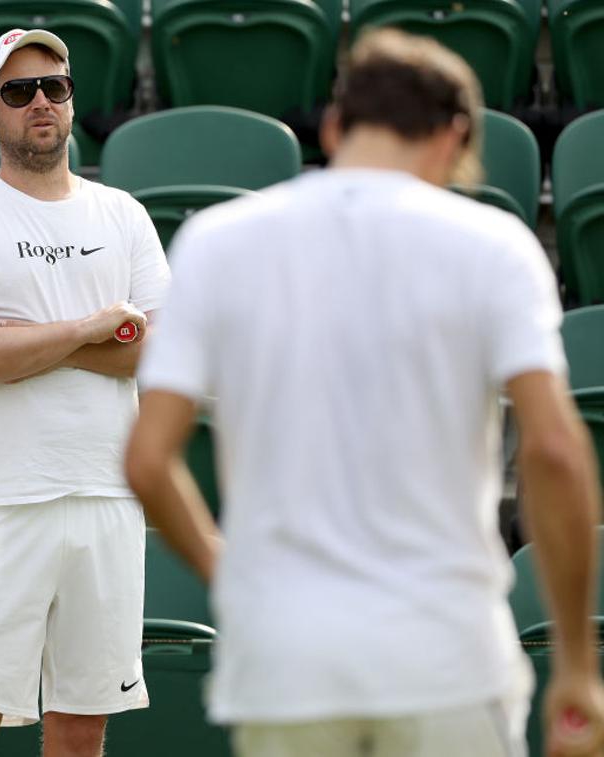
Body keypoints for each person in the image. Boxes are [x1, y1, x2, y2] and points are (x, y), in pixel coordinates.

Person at [125, 28, 604, 757]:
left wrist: (237, 578)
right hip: (446, 657)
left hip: (285, 664)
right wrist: (576, 665)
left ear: (333, 127)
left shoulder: (217, 241)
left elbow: (147, 460)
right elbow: (555, 451)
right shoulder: (495, 245)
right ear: (456, 137)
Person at [0, 28, 171, 757]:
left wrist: (27, 340)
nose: (40, 102)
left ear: (70, 101)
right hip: (4, 502)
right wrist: (95, 328)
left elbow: (158, 353)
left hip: (106, 497)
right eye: (18, 90)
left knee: (81, 727)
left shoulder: (122, 213)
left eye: (53, 88)